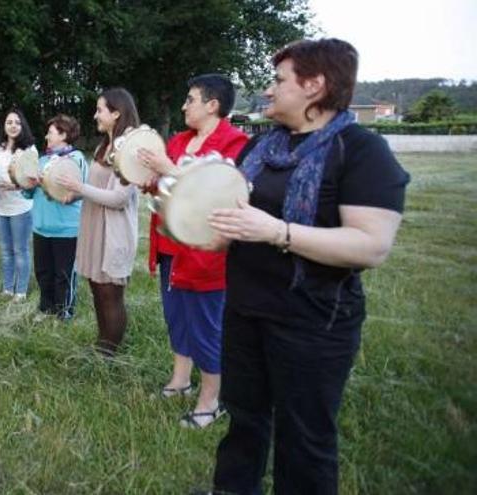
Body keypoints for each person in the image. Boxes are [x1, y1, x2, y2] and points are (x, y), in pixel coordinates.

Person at [204, 39, 409, 494]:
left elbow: (371, 246)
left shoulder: (361, 151)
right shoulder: (258, 150)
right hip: (246, 310)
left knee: (304, 440)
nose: (268, 90)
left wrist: (277, 232)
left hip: (314, 322)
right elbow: (230, 225)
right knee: (244, 419)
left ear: (314, 85)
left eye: (279, 80)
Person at [138, 74, 248, 428]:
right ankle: (181, 380)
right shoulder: (179, 140)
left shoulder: (236, 144)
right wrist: (148, 178)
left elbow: (223, 196)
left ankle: (211, 399)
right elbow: (162, 187)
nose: (184, 106)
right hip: (171, 246)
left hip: (205, 253)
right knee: (177, 318)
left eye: (190, 99)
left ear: (212, 104)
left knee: (206, 325)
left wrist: (167, 170)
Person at [55, 88, 140, 355]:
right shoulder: (106, 144)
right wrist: (73, 195)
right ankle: (102, 344)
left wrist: (79, 187)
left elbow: (119, 198)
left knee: (110, 294)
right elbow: (95, 188)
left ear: (116, 113)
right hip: (95, 228)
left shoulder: (131, 147)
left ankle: (108, 354)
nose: (95, 115)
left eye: (100, 109)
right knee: (97, 290)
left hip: (114, 231)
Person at [22, 114, 88, 320]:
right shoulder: (42, 159)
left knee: (64, 274)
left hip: (66, 229)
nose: (46, 136)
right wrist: (26, 184)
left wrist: (44, 182)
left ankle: (64, 312)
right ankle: (46, 308)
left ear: (64, 135)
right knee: (43, 272)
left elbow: (72, 193)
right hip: (41, 226)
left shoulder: (77, 160)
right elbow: (29, 194)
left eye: (51, 133)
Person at [0, 108, 36, 301]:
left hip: (21, 207)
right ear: (4, 126)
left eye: (17, 122)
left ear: (22, 125)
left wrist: (15, 185)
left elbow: (33, 182)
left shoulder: (30, 149)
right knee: (5, 250)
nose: (13, 126)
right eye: (9, 122)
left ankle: (21, 291)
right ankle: (8, 288)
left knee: (20, 250)